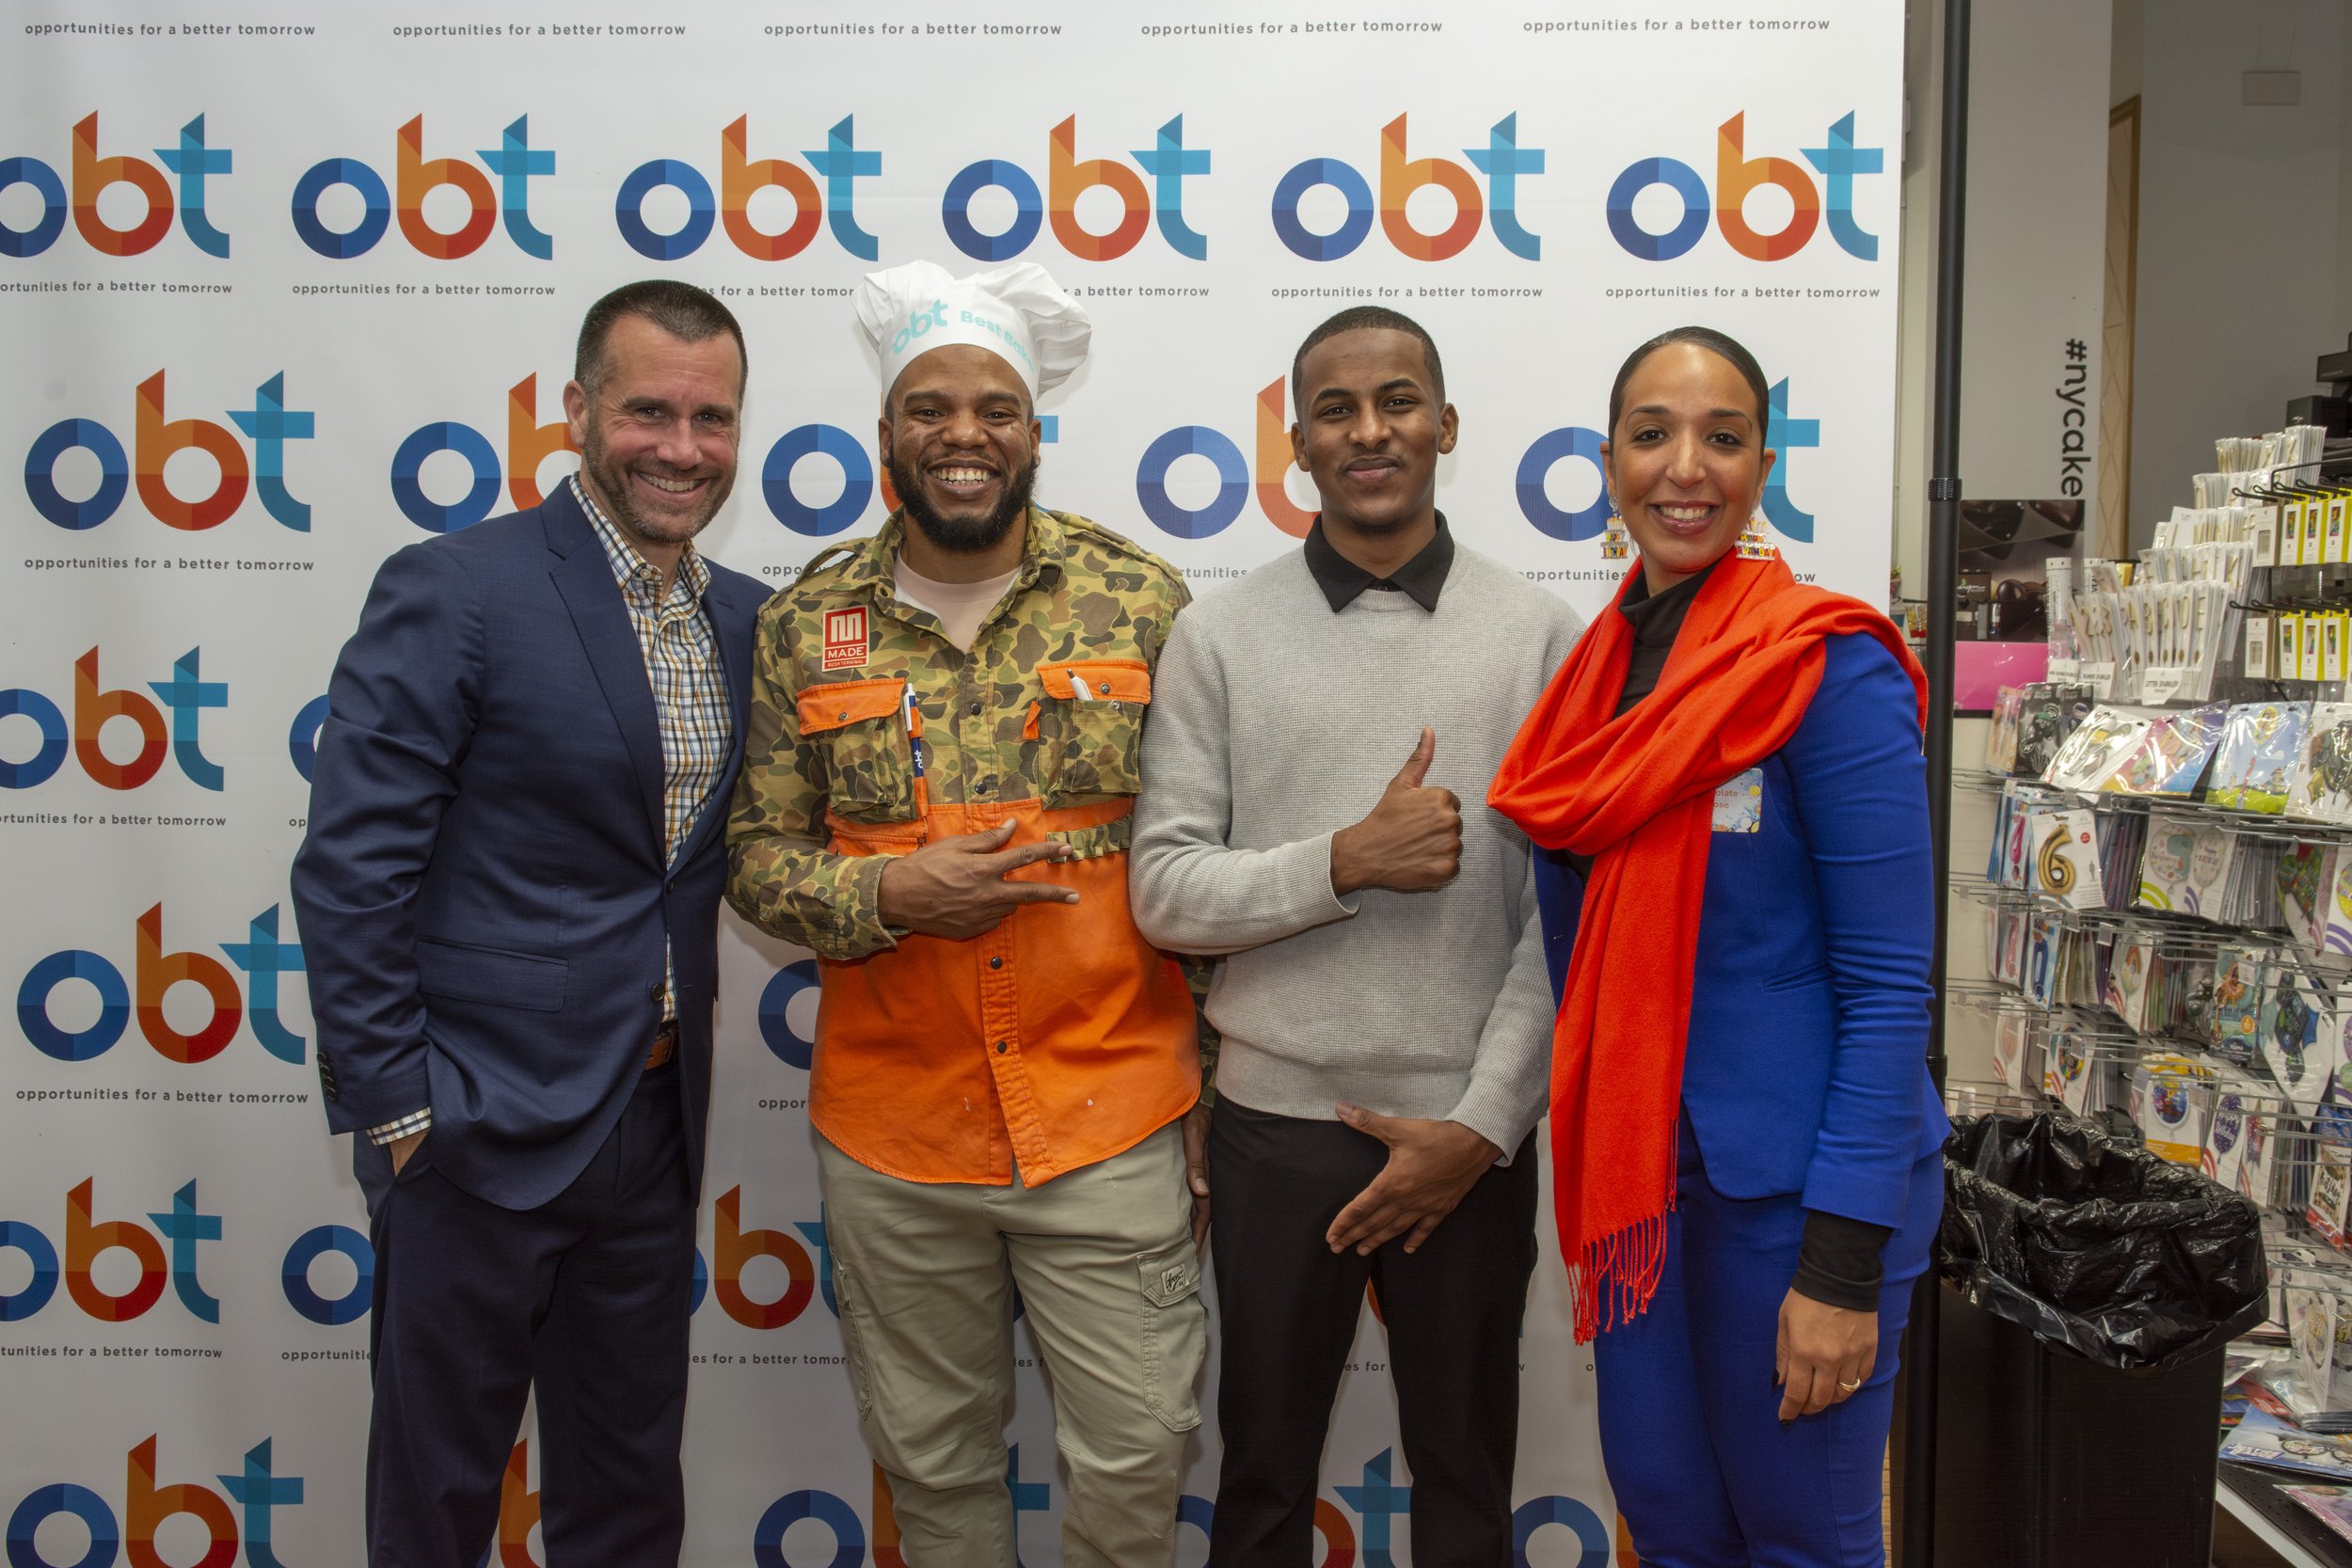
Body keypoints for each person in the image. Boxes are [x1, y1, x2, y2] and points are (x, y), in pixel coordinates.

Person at [725, 260, 1205, 1568]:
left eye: (994, 407)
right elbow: (754, 854)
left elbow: (1201, 862)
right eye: (928, 408)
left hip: (1109, 1115)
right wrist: (884, 893)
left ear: (1035, 428)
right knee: (933, 1471)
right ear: (885, 434)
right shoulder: (806, 621)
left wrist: (1217, 1092)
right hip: (897, 1136)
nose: (963, 435)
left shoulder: (1144, 601)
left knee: (1137, 1458)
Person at [289, 280, 769, 1566]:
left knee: (626, 1500)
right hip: (474, 1134)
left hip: (654, 1130)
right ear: (577, 412)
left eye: (711, 419)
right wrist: (400, 1112)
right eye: (649, 411)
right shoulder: (458, 588)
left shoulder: (748, 620)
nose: (681, 447)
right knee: (439, 1498)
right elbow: (349, 868)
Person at [1487, 325, 1947, 1568]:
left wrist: (1843, 1268)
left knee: (1805, 1540)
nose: (1684, 468)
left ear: (1761, 465)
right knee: (1675, 1529)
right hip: (1642, 1192)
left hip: (1797, 1201)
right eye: (1653, 434)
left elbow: (1892, 988)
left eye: (1722, 437)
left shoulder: (1822, 666)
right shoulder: (1593, 681)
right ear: (1608, 460)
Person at [1129, 306, 1581, 1565]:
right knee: (1263, 1485)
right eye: (1337, 408)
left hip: (1468, 1140)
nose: (1369, 430)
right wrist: (1342, 864)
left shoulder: (1545, 638)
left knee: (1467, 1486)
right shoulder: (1218, 637)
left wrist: (1484, 1122)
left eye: (1396, 402)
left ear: (1446, 425)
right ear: (1296, 439)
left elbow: (1570, 922)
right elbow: (1162, 890)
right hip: (1276, 1134)